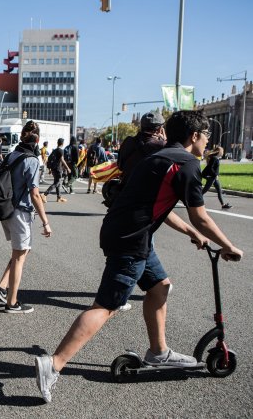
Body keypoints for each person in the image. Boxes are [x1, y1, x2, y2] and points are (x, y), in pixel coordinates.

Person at [34, 110, 244, 403]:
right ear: (194, 136)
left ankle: (158, 353)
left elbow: (161, 206)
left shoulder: (158, 158)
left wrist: (191, 234)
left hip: (128, 234)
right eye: (206, 134)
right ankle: (54, 363)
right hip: (130, 241)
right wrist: (228, 246)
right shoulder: (186, 164)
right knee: (106, 305)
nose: (208, 140)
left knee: (160, 287)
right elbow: (201, 216)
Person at [0, 121, 52, 313]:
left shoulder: (11, 155)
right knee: (19, 256)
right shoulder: (32, 160)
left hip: (7, 209)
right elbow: (34, 194)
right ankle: (12, 302)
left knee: (21, 252)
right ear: (38, 140)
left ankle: (1, 286)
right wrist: (46, 222)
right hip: (20, 212)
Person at [118, 110, 167, 187]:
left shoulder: (128, 141)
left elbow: (120, 166)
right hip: (146, 193)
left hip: (124, 189)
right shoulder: (162, 145)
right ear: (159, 130)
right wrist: (165, 141)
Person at [41, 138, 70, 203]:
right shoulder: (60, 150)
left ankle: (59, 197)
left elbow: (50, 159)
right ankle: (44, 194)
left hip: (54, 169)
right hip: (58, 169)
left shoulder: (54, 150)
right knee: (57, 183)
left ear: (57, 143)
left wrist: (50, 169)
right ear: (62, 143)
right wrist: (67, 168)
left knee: (57, 183)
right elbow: (62, 160)